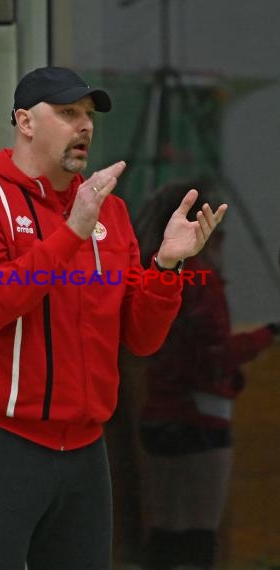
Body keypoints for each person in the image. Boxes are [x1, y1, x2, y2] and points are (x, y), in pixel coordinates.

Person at [0, 67, 227, 570]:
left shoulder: (108, 213)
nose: (85, 126)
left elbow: (140, 339)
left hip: (85, 450)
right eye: (68, 113)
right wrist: (71, 232)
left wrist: (166, 265)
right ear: (25, 121)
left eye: (89, 116)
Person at [128, 180, 279, 570]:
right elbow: (216, 354)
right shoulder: (203, 281)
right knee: (199, 534)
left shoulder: (152, 268)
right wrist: (269, 335)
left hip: (156, 414)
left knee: (163, 532)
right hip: (201, 417)